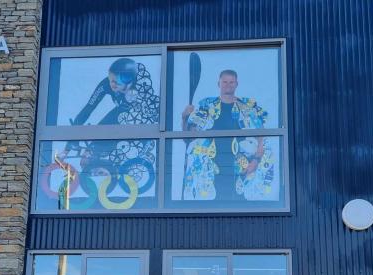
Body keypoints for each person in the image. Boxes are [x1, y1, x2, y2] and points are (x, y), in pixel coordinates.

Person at [180, 69, 274, 202]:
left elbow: (262, 136)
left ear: (237, 84)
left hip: (241, 167)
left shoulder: (248, 106)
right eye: (224, 82)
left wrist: (256, 160)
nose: (228, 85)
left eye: (231, 82)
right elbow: (189, 138)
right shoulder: (207, 106)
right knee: (209, 205)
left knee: (241, 204)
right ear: (218, 83)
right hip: (209, 168)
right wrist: (184, 118)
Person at [71, 57, 159, 126]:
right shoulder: (106, 84)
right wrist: (75, 129)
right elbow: (89, 107)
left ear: (129, 81)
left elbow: (115, 116)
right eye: (110, 79)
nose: (112, 84)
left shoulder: (139, 90)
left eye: (117, 81)